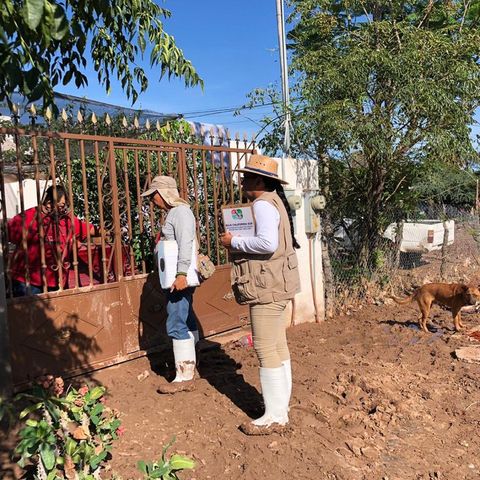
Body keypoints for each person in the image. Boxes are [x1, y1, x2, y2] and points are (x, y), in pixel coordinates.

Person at [220, 154, 301, 435]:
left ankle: (275, 416)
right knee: (277, 346)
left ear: (259, 180)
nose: (242, 180)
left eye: (246, 177)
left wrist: (234, 241)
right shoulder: (273, 202)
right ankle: (281, 408)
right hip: (278, 283)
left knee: (266, 349)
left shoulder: (263, 205)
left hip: (266, 286)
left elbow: (267, 244)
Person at [141, 175, 200, 394]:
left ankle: (184, 376)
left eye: (153, 195)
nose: (152, 200)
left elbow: (186, 243)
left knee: (176, 320)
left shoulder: (180, 213)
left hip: (179, 277)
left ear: (163, 193)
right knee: (186, 316)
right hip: (177, 276)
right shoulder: (176, 213)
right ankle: (193, 361)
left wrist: (182, 273)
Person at [7, 185, 96, 296]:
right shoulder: (29, 216)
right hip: (28, 282)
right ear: (49, 203)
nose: (64, 209)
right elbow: (8, 233)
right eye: (62, 205)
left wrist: (109, 231)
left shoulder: (66, 219)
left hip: (56, 281)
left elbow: (90, 229)